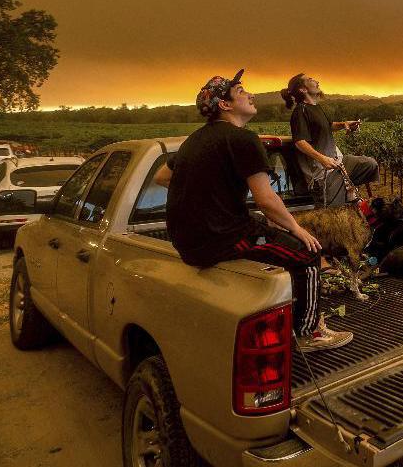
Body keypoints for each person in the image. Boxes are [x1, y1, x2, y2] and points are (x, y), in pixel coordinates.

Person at [155, 69, 353, 351]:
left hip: (188, 242)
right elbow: (266, 199)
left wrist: (208, 195)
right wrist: (298, 229)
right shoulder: (244, 139)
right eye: (241, 92)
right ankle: (310, 332)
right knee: (308, 253)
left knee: (263, 224)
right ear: (225, 105)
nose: (251, 95)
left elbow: (161, 177)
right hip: (222, 240)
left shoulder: (194, 140)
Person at [281, 73, 379, 207]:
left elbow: (328, 126)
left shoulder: (317, 107)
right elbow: (300, 142)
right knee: (336, 215)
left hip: (337, 163)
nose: (316, 81)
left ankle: (347, 190)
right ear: (303, 89)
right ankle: (344, 195)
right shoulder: (300, 112)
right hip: (323, 174)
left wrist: (344, 124)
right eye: (310, 79)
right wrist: (323, 159)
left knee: (370, 164)